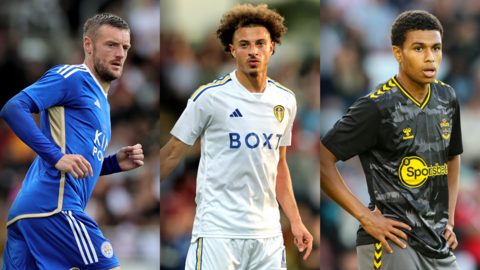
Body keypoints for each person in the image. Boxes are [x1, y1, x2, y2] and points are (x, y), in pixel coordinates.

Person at [160, 3, 313, 269]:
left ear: (272, 47)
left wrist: (296, 221)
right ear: (232, 50)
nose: (252, 51)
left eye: (259, 43)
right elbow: (172, 152)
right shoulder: (209, 97)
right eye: (244, 44)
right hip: (218, 233)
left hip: (268, 237)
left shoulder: (286, 100)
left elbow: (279, 164)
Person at [0, 13, 144, 270]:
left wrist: (111, 164)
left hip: (30, 212)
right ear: (88, 45)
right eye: (111, 45)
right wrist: (57, 156)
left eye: (125, 47)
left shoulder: (103, 104)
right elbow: (14, 107)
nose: (120, 54)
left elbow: (76, 160)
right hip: (54, 206)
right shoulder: (74, 77)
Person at [320, 10, 462, 270]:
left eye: (436, 48)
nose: (430, 57)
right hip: (391, 242)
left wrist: (449, 220)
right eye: (418, 48)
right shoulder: (376, 106)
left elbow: (452, 158)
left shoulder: (447, 98)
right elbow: (322, 158)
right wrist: (365, 217)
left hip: (438, 243)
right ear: (398, 53)